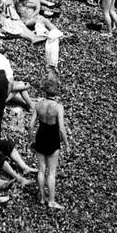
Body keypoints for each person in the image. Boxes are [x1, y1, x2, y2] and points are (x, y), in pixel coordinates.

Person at [31, 77, 69, 209]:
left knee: (41, 169)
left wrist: (31, 140)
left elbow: (31, 126)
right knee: (51, 172)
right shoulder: (58, 107)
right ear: (56, 91)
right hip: (52, 139)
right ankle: (51, 200)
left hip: (40, 137)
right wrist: (67, 145)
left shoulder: (38, 105)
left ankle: (42, 198)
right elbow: (62, 129)